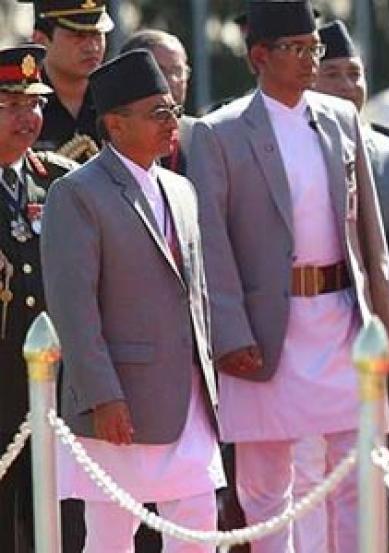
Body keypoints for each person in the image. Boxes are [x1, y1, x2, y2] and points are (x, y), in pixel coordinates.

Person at [187, 1, 389, 551]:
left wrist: (385, 321)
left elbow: (368, 230)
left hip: (341, 322)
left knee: (356, 475)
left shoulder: (339, 118)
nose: (310, 60)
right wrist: (230, 333)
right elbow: (211, 243)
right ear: (259, 56)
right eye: (297, 49)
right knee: (265, 487)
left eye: (316, 48)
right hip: (265, 329)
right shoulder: (219, 133)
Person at [41, 48, 223, 553]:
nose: (173, 123)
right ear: (116, 125)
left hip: (188, 399)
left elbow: (198, 296)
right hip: (120, 399)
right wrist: (103, 395)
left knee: (199, 527)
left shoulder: (181, 189)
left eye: (173, 110)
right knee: (111, 537)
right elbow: (73, 307)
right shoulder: (77, 193)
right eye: (158, 113)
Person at [297, 19, 389, 549]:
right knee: (305, 472)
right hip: (301, 343)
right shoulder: (289, 150)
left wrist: (366, 318)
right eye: (332, 73)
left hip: (378, 343)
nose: (348, 85)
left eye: (355, 73)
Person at [0, 44, 77, 553]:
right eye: (12, 105)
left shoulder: (58, 180)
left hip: (53, 381)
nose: (29, 117)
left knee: (57, 514)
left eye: (36, 103)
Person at [21, 0, 110, 162]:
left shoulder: (117, 102)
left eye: (97, 34)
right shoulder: (19, 105)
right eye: (78, 35)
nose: (92, 47)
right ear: (40, 40)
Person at [119, 29, 193, 174]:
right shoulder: (115, 136)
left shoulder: (203, 137)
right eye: (160, 71)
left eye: (178, 70)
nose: (171, 81)